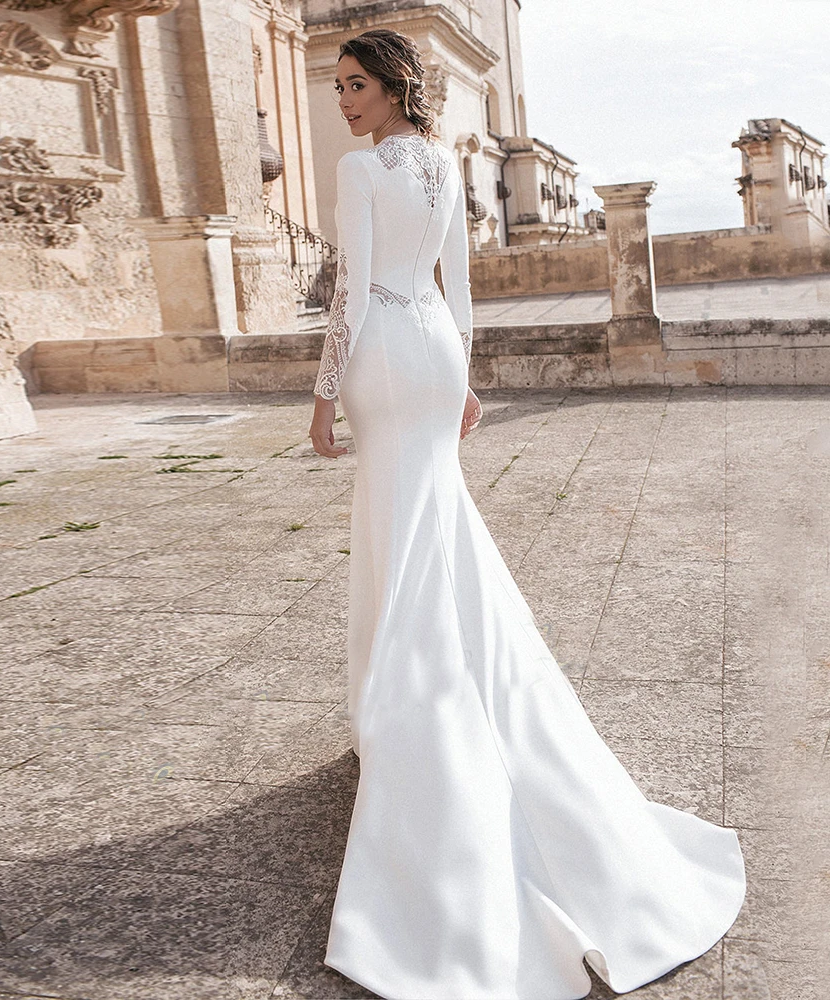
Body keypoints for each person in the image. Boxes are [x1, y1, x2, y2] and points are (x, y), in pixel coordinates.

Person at [307, 27, 746, 1000]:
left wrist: (321, 390)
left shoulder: (358, 169)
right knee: (434, 519)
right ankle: (413, 695)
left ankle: (403, 713)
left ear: (389, 89)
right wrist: (463, 379)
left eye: (354, 85)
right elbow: (456, 285)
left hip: (383, 347)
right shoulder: (441, 166)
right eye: (338, 87)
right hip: (432, 349)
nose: (344, 101)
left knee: (396, 523)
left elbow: (349, 287)